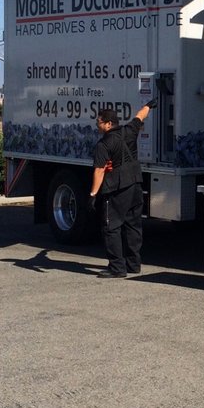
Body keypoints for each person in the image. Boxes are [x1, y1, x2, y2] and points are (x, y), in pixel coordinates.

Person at [89, 98, 155, 278]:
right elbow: (140, 116)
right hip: (135, 184)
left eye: (99, 121)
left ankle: (117, 268)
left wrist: (93, 194)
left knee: (111, 227)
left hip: (118, 188)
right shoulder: (129, 130)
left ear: (109, 124)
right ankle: (133, 264)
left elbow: (99, 171)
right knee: (133, 224)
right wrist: (149, 105)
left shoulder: (103, 144)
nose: (97, 124)